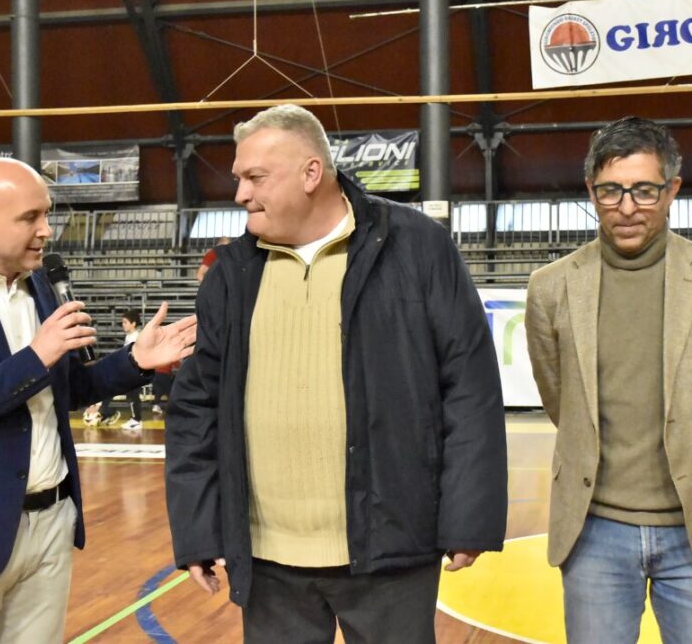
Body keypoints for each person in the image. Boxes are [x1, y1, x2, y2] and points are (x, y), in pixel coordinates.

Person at [164, 104, 508, 643]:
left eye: (255, 178)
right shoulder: (231, 273)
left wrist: (468, 517)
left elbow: (469, 387)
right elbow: (195, 408)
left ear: (311, 173)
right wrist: (198, 529)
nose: (240, 195)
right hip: (267, 561)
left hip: (392, 548)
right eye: (238, 179)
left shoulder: (417, 245)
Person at [0, 157, 197, 643]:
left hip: (51, 524)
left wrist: (135, 360)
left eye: (46, 214)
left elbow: (69, 390)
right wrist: (35, 358)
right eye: (29, 218)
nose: (47, 230)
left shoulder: (41, 289)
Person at [524, 117, 692, 644]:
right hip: (594, 531)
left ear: (672, 189)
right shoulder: (551, 288)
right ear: (591, 191)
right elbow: (560, 398)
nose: (627, 207)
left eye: (644, 190)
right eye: (611, 190)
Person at [86, 309, 145, 430]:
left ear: (133, 323)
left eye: (125, 322)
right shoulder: (129, 336)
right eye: (122, 322)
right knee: (117, 391)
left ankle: (136, 420)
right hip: (128, 371)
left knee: (133, 396)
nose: (123, 325)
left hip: (134, 372)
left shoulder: (136, 337)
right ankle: (107, 413)